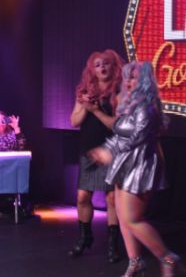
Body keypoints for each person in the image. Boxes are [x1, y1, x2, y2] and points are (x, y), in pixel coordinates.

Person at [90, 62, 182, 277]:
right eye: (127, 77)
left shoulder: (146, 107)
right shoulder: (129, 103)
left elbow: (136, 137)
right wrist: (105, 149)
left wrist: (109, 152)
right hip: (125, 162)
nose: (129, 82)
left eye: (134, 78)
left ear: (144, 81)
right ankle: (136, 262)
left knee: (133, 218)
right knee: (123, 218)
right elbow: (120, 135)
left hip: (140, 164)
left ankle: (168, 258)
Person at [68, 49, 125, 262]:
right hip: (89, 150)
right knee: (82, 197)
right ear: (92, 69)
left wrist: (96, 110)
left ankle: (113, 245)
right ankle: (85, 238)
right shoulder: (85, 91)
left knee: (112, 198)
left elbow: (117, 126)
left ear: (113, 67)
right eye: (98, 64)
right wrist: (85, 106)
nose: (102, 68)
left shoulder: (119, 92)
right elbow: (74, 121)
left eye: (107, 64)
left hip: (111, 151)